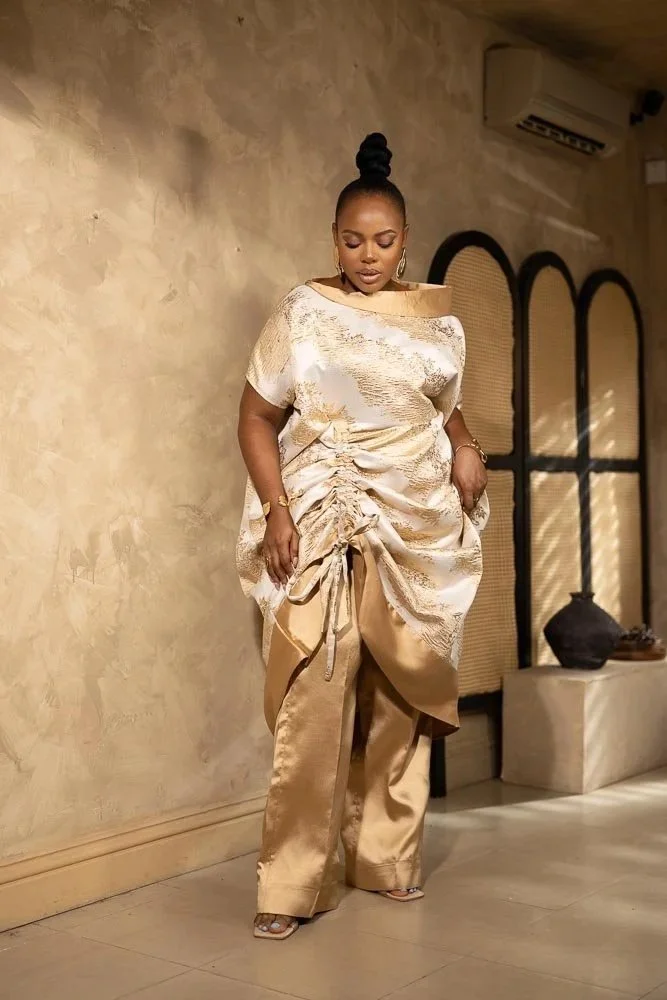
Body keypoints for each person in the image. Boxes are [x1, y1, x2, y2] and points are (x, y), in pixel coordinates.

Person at [237, 133, 488, 940]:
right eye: (351, 240)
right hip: (321, 510)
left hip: (414, 521)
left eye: (382, 241)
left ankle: (384, 858)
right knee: (314, 698)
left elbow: (441, 407)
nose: (367, 254)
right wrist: (277, 508)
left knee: (397, 698)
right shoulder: (303, 312)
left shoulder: (439, 323)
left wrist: (466, 447)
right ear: (332, 237)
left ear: (405, 239)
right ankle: (289, 884)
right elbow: (254, 418)